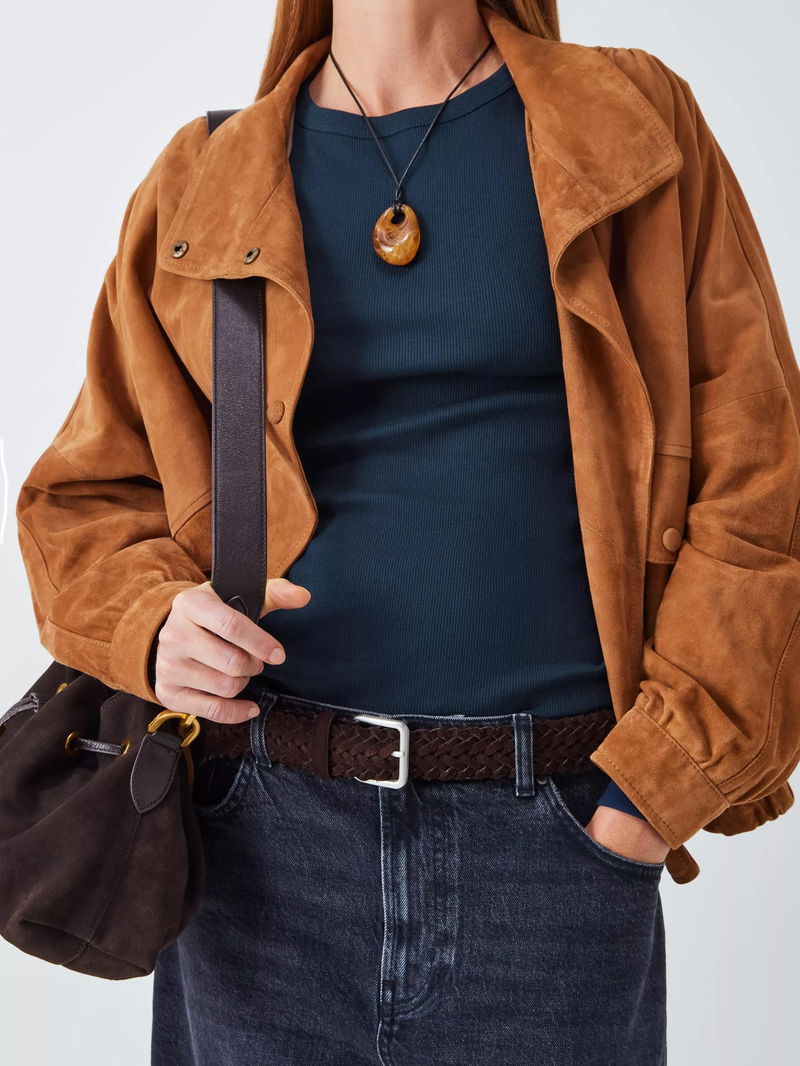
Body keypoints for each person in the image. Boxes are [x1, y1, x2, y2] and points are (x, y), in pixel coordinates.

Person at [14, 1, 800, 1063]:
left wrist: (646, 799)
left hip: (559, 838)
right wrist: (151, 623)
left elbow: (761, 483)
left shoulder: (624, 119)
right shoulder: (208, 175)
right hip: (258, 842)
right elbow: (83, 497)